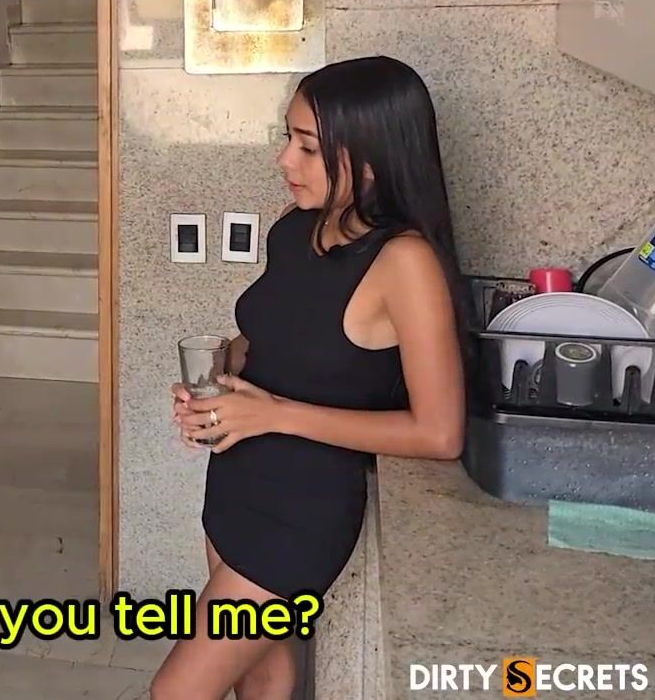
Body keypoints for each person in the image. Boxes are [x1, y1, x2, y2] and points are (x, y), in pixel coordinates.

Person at [152, 56, 468, 700]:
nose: (284, 160)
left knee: (176, 691)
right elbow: (267, 340)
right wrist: (217, 380)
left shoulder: (404, 262)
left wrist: (272, 414)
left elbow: (439, 433)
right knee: (260, 670)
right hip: (237, 481)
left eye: (307, 147)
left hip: (302, 513)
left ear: (371, 159)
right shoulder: (299, 228)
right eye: (287, 138)